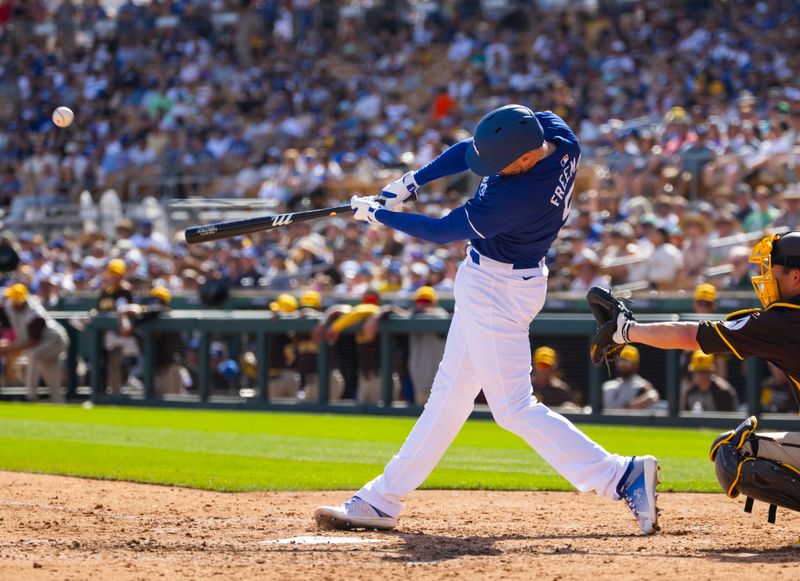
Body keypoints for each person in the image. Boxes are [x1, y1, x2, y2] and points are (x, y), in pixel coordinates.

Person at [315, 104, 659, 535]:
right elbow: (474, 149)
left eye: (502, 164)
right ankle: (382, 499)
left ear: (528, 158)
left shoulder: (517, 197)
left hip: (497, 289)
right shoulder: (556, 135)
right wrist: (411, 181)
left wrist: (378, 215)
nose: (490, 169)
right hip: (502, 281)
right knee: (448, 398)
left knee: (513, 408)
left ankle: (619, 475)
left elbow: (441, 231)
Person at [589, 231, 800, 521]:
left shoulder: (784, 319)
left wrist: (626, 331)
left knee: (736, 451)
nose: (767, 279)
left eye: (773, 271)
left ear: (796, 277)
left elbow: (690, 335)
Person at [0, 284, 69, 402]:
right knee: (52, 379)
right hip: (41, 344)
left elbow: (32, 342)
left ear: (24, 299)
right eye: (14, 301)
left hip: (55, 341)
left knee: (33, 355)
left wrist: (6, 348)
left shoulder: (34, 313)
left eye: (18, 301)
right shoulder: (9, 304)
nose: (16, 304)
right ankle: (59, 403)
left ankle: (31, 396)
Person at [602, 345, 660, 411]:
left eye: (626, 361)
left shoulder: (641, 384)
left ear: (635, 364)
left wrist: (626, 408)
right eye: (620, 360)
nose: (622, 364)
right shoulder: (608, 385)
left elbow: (653, 396)